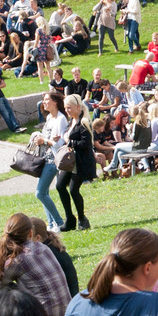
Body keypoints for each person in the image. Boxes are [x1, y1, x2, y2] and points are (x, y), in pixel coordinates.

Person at [57, 94, 96, 231]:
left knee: (74, 190)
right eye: (65, 108)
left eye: (69, 108)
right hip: (70, 161)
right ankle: (69, 219)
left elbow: (86, 143)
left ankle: (82, 219)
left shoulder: (84, 121)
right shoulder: (71, 121)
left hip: (81, 162)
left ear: (78, 107)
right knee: (60, 186)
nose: (67, 110)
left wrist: (70, 141)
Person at [35, 92, 69, 231]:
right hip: (45, 158)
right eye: (44, 100)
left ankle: (59, 222)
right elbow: (47, 137)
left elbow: (60, 142)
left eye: (47, 99)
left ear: (55, 102)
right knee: (44, 193)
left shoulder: (61, 119)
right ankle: (50, 224)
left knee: (40, 193)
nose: (44, 102)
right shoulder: (49, 117)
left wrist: (46, 141)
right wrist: (39, 138)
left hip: (54, 159)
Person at [0, 59, 26, 134]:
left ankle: (17, 126)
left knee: (10, 111)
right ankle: (13, 129)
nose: (0, 68)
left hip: (2, 96)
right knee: (5, 114)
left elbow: (4, 85)